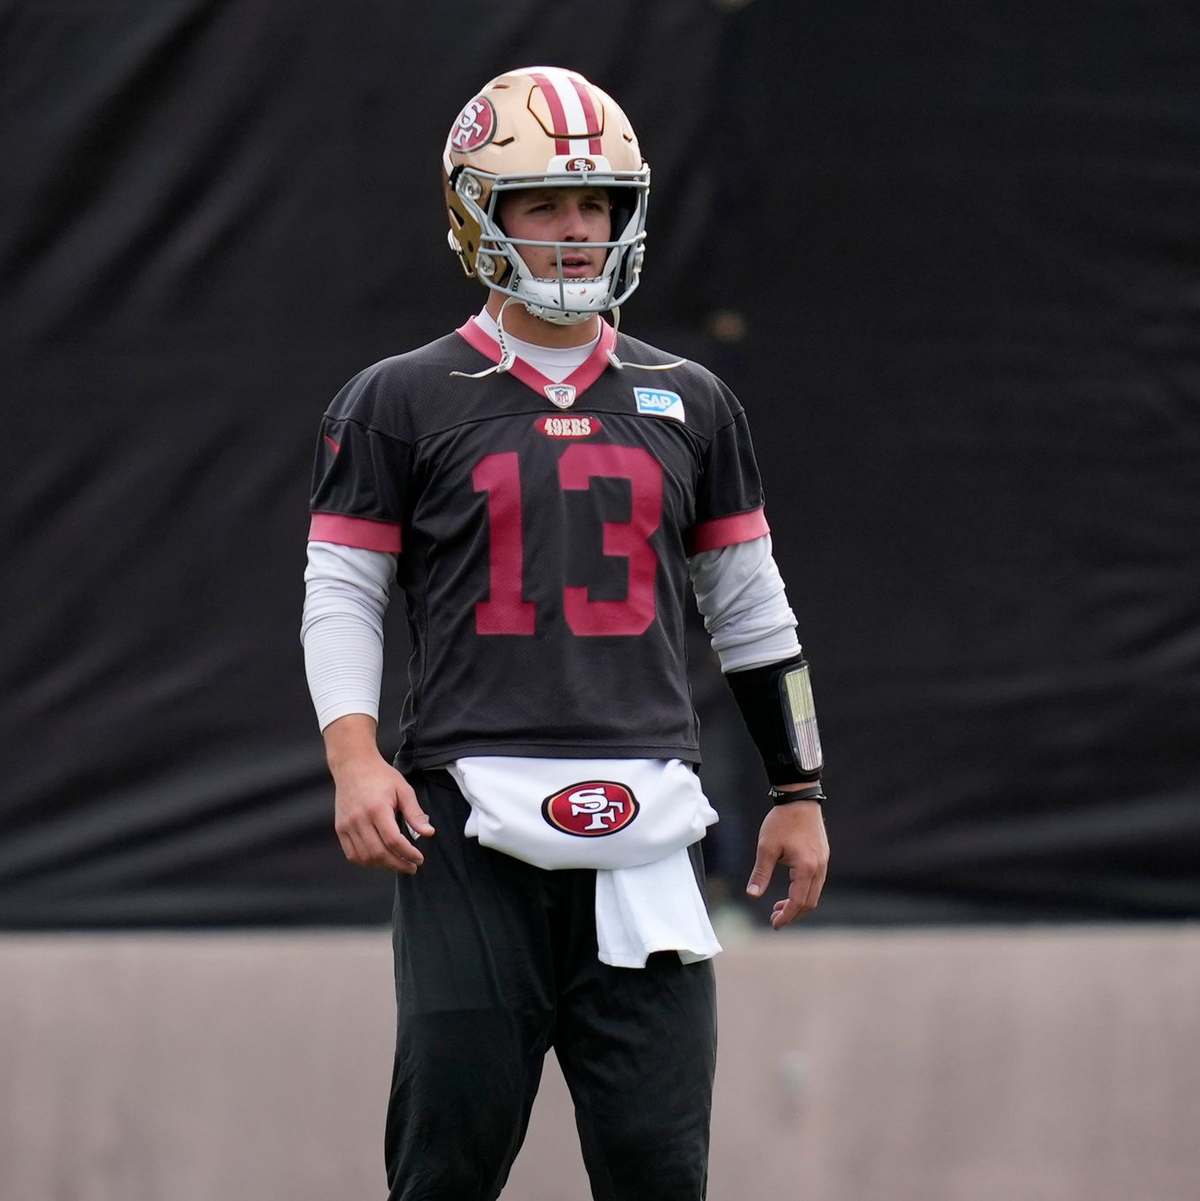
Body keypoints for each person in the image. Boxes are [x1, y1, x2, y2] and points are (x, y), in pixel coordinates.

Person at [301, 65, 830, 1201]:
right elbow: (341, 589)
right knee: (449, 1151)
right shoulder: (400, 396)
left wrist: (800, 790)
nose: (577, 229)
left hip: (647, 813)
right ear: (476, 212)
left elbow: (751, 605)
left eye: (597, 206)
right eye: (544, 202)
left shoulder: (690, 396)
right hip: (465, 811)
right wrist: (354, 756)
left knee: (656, 1164)